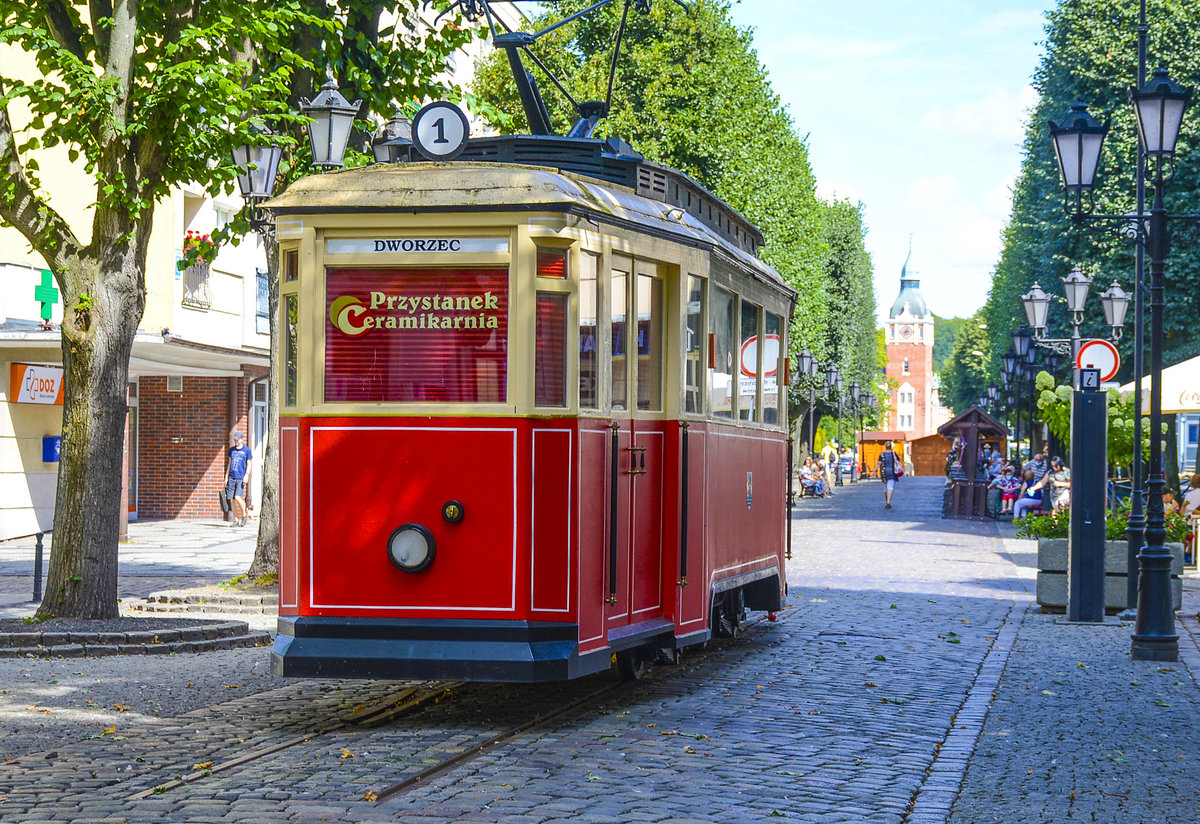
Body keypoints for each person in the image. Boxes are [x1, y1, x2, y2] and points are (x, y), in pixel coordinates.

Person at [225, 430, 253, 527]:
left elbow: (249, 463)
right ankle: (236, 520)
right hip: (232, 477)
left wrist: (247, 475)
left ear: (242, 439)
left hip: (240, 478)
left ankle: (244, 515)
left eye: (237, 439)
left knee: (237, 497)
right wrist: (226, 477)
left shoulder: (247, 451)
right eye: (235, 440)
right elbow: (229, 464)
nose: (236, 441)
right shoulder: (231, 450)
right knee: (231, 499)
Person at [875, 440, 901, 509]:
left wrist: (875, 470)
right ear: (891, 446)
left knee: (885, 488)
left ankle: (887, 501)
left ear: (885, 446)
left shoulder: (882, 454)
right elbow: (898, 460)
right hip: (892, 471)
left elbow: (879, 463)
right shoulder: (893, 453)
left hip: (884, 472)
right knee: (890, 487)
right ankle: (888, 502)